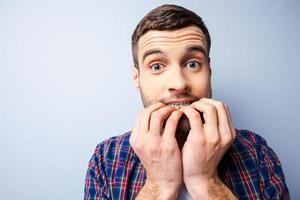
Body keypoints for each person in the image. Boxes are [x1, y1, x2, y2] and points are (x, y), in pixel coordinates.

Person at [84, 4, 289, 200]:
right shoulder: (106, 160)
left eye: (193, 64)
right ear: (137, 78)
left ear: (209, 70)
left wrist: (205, 183)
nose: (179, 83)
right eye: (156, 66)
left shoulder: (256, 153)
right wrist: (159, 186)